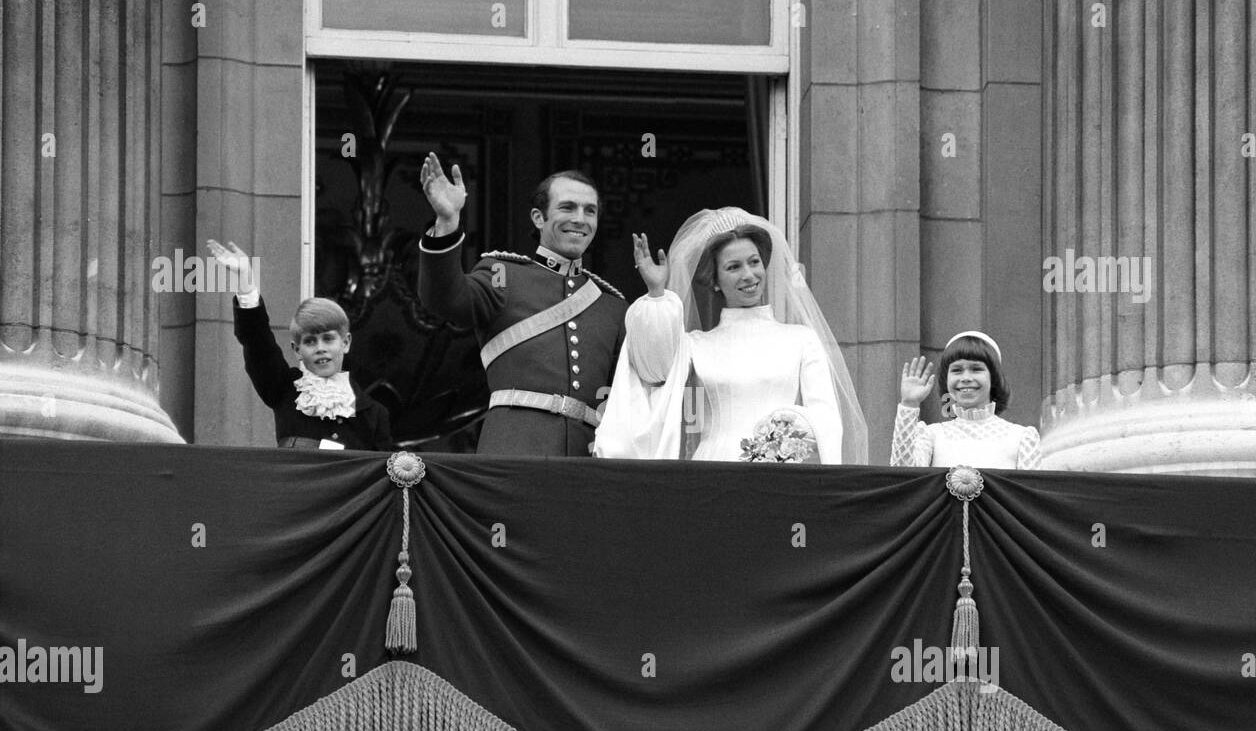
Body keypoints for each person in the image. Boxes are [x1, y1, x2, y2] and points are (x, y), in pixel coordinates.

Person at [593, 208, 870, 463]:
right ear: (714, 280)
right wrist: (657, 292)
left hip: (783, 472)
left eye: (754, 262)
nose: (749, 275)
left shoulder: (802, 339)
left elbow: (826, 419)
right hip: (713, 468)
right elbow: (652, 370)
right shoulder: (695, 344)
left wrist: (784, 442)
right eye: (733, 267)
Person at [416, 153, 626, 455]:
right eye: (567, 207)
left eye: (589, 211)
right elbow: (445, 299)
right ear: (538, 218)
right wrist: (447, 221)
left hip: (586, 459)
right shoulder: (503, 274)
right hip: (513, 451)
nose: (580, 219)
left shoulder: (612, 307)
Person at [208, 239, 392, 450]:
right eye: (310, 341)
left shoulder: (375, 414)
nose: (320, 347)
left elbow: (384, 474)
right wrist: (246, 281)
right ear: (297, 350)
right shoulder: (284, 389)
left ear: (346, 342)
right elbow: (258, 343)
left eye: (328, 338)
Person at [890, 331, 1040, 469]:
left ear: (993, 377)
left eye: (976, 369)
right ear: (946, 380)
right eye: (957, 370)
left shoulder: (1021, 438)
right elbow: (903, 477)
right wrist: (909, 403)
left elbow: (1028, 496)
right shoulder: (932, 435)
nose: (966, 378)